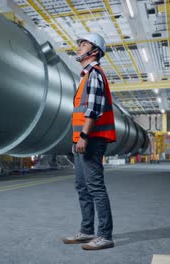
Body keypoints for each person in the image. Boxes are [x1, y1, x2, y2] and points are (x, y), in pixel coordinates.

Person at [62, 33, 117, 250]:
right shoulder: (86, 76)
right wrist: (76, 139)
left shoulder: (94, 73)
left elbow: (93, 109)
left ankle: (105, 235)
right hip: (82, 140)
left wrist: (83, 136)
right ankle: (86, 231)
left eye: (83, 44)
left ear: (94, 51)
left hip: (91, 140)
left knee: (95, 187)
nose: (79, 47)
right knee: (82, 186)